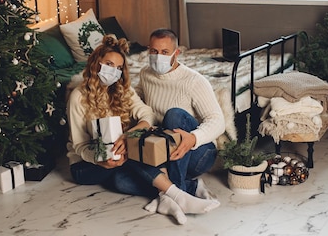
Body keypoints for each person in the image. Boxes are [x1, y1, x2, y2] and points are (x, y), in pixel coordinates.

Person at [66, 35, 219, 224]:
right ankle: (184, 192)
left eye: (119, 68)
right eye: (109, 64)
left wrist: (129, 134)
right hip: (85, 165)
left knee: (121, 180)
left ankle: (170, 197)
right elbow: (79, 146)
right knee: (129, 154)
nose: (113, 71)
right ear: (97, 63)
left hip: (116, 159)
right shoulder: (78, 96)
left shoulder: (121, 90)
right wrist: (100, 160)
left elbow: (148, 114)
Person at [137, 28, 226, 206]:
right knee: (120, 181)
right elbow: (138, 100)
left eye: (164, 52)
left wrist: (193, 138)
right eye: (154, 51)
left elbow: (218, 121)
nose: (158, 56)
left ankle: (175, 193)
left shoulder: (193, 81)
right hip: (165, 149)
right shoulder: (146, 74)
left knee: (174, 115)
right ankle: (189, 187)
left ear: (176, 54)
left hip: (197, 152)